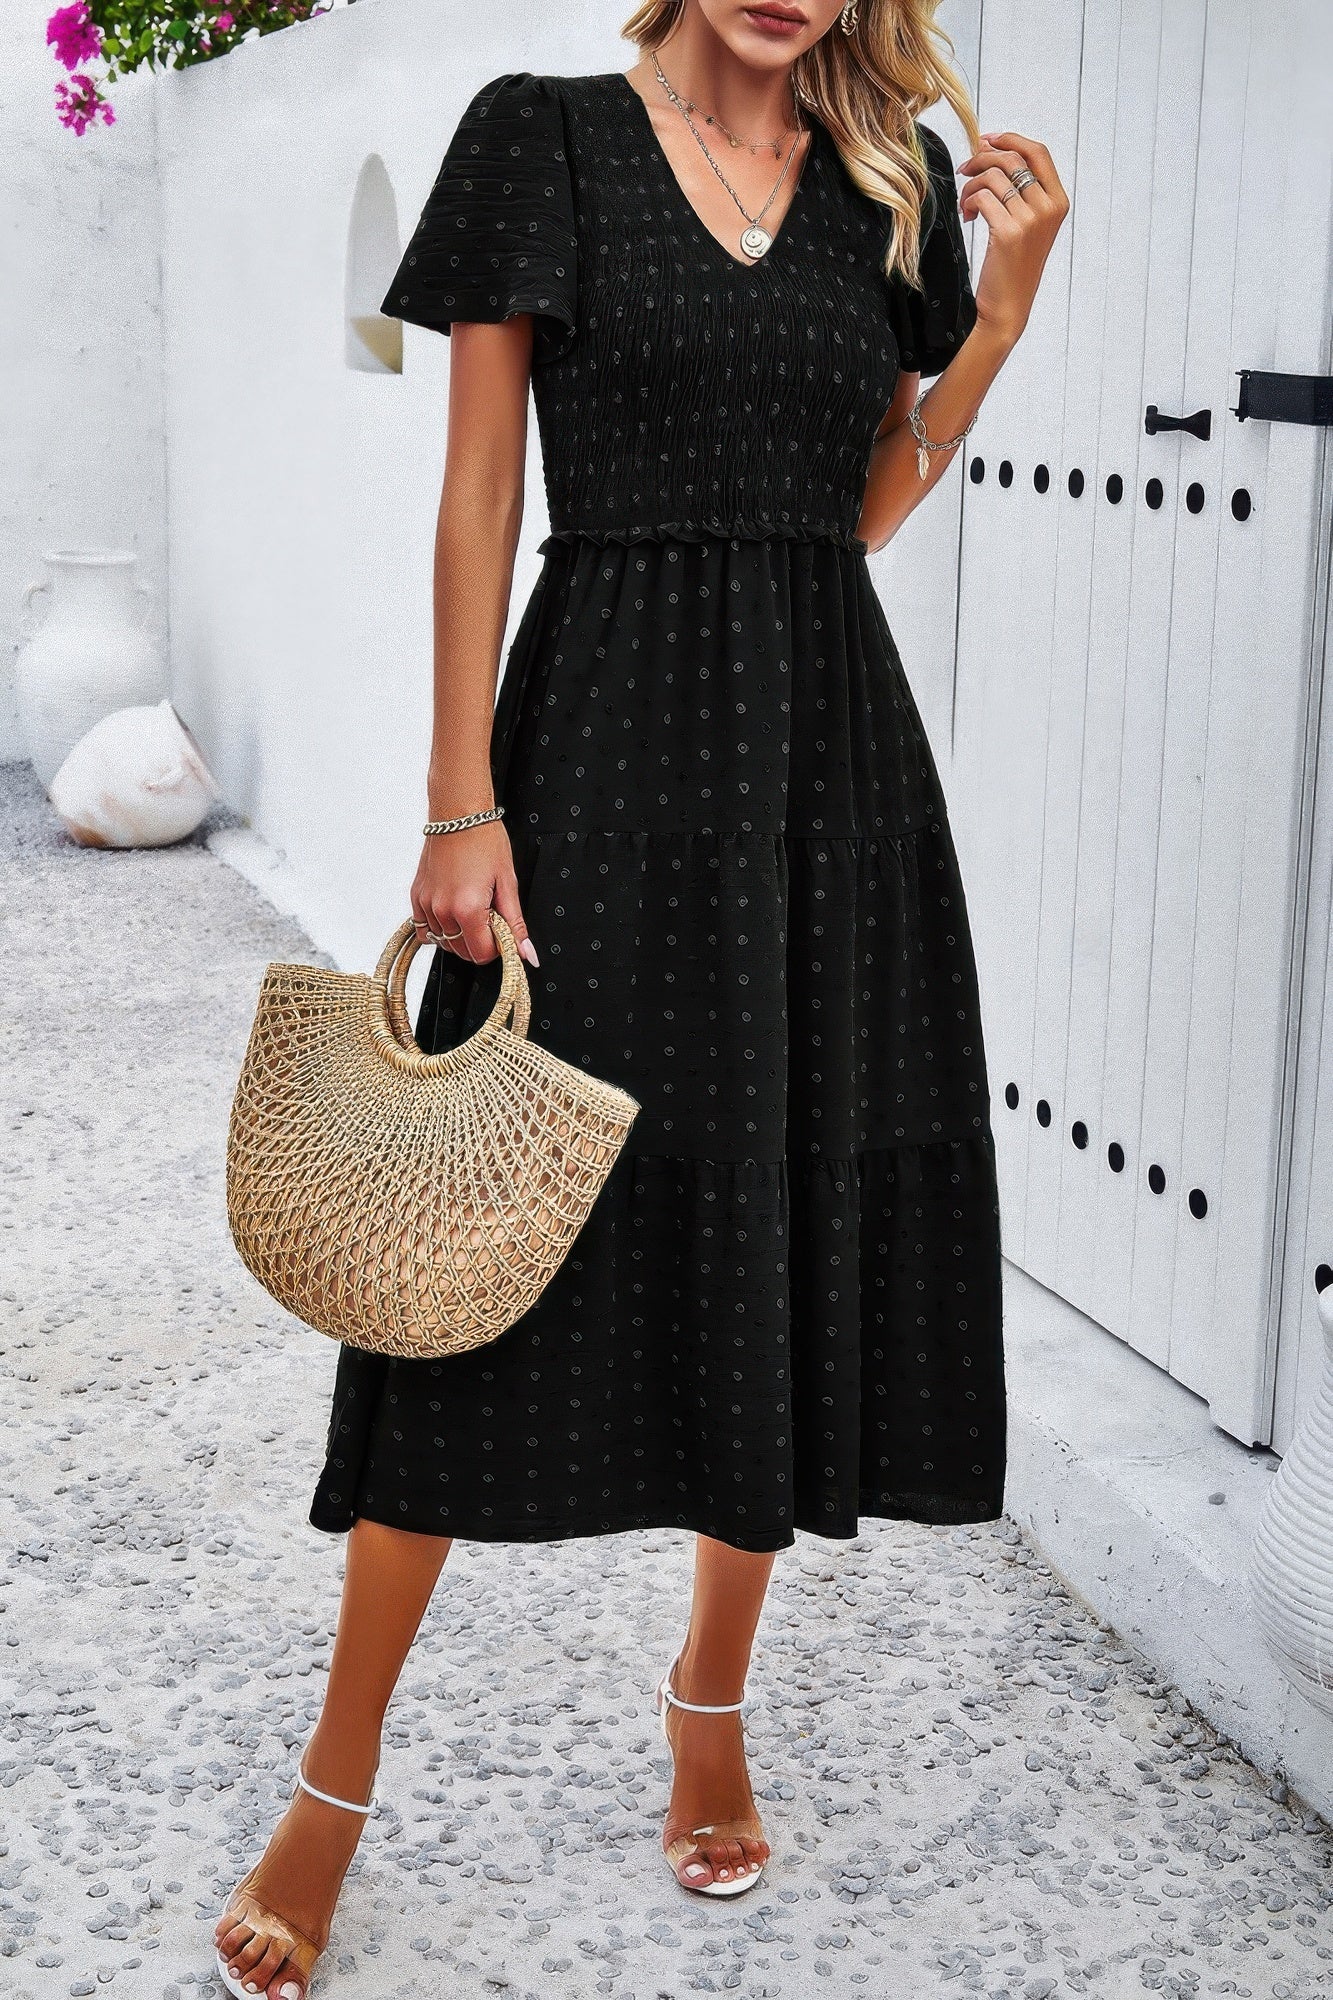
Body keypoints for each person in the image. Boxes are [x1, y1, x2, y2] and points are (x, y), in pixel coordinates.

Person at [214, 1, 1067, 1992]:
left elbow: (857, 510)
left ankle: (710, 1703)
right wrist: (458, 799)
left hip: (823, 773)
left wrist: (1002, 314)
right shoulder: (546, 136)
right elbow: (477, 498)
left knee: (774, 1219)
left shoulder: (885, 189)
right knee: (466, 1247)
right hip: (596, 739)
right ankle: (335, 1779)